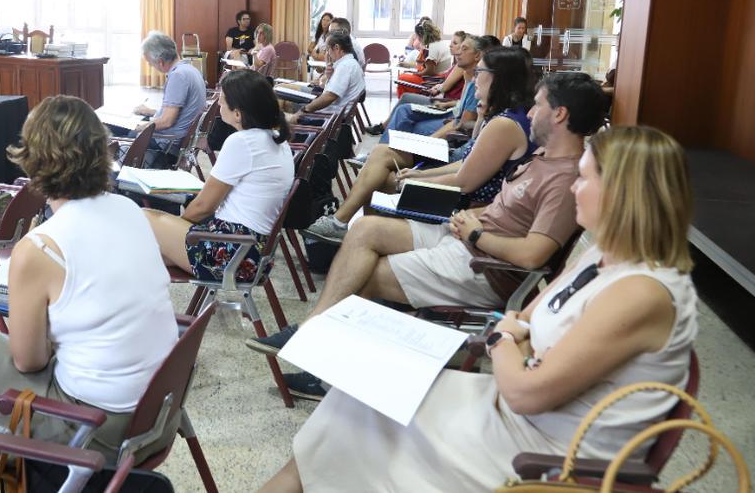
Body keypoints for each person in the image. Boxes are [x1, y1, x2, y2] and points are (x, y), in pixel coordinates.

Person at [258, 125, 698, 492]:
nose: (575, 188)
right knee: (354, 400)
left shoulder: (642, 292)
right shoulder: (603, 254)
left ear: (622, 193)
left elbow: (524, 388)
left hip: (542, 455)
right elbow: (524, 320)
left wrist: (504, 340)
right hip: (518, 417)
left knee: (356, 419)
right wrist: (515, 340)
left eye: (585, 179)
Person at [252, 73, 607, 400]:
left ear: (559, 115)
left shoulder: (563, 179)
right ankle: (314, 329)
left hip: (484, 267)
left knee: (367, 275)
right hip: (465, 238)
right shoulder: (542, 158)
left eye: (539, 105)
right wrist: (475, 219)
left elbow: (533, 254)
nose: (530, 113)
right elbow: (510, 211)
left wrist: (478, 233)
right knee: (366, 228)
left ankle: (327, 375)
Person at [0, 96, 177, 492]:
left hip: (98, 425)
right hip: (156, 410)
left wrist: (48, 335)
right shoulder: (130, 210)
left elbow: (29, 362)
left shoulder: (40, 247)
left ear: (34, 159)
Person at [304, 42, 529, 245]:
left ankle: (356, 234)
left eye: (481, 71)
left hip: (467, 205)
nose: (474, 77)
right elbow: (469, 161)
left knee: (379, 180)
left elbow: (465, 180)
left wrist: (414, 180)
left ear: (499, 78)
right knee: (382, 156)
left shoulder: (505, 125)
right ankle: (350, 231)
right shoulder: (503, 116)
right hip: (463, 182)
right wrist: (482, 114)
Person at [144, 70, 294, 283]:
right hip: (255, 252)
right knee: (146, 253)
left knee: (143, 217)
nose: (218, 105)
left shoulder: (242, 142)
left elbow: (204, 206)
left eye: (222, 102)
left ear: (238, 113)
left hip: (231, 252)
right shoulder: (277, 139)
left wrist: (176, 230)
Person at [121, 31, 207, 168]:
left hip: (166, 145)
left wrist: (139, 127)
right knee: (127, 126)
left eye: (150, 62)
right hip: (178, 139)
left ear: (160, 62)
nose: (150, 66)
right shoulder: (190, 70)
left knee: (116, 130)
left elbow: (166, 121)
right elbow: (179, 111)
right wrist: (151, 112)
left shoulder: (178, 76)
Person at [363, 30, 472, 136]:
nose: (450, 45)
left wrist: (438, 88)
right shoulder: (457, 63)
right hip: (443, 97)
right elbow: (444, 78)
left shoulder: (461, 65)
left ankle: (384, 128)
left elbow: (445, 86)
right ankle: (386, 128)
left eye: (455, 43)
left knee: (405, 98)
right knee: (405, 97)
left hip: (444, 101)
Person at [288, 32, 364, 122]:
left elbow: (329, 97)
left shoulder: (345, 66)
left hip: (326, 119)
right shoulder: (349, 63)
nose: (326, 53)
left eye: (327, 49)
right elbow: (329, 91)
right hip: (330, 115)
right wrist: (329, 75)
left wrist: (305, 109)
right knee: (283, 108)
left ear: (336, 48)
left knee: (282, 111)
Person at [396, 19, 448, 97]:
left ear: (421, 36)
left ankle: (405, 102)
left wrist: (416, 73)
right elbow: (425, 66)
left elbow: (429, 71)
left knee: (401, 78)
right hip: (437, 78)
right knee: (405, 76)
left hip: (432, 81)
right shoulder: (436, 44)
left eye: (416, 35)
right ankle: (406, 101)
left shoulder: (431, 47)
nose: (416, 38)